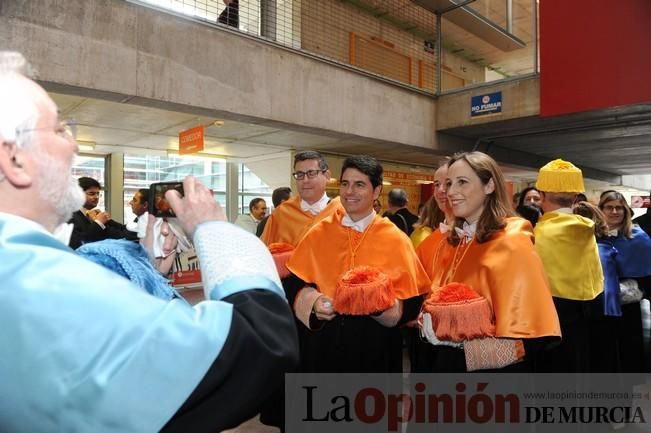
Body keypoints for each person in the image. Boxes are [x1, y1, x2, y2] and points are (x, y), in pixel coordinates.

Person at [0, 51, 298, 432]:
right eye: (59, 129)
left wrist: (144, 266)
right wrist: (213, 230)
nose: (73, 144)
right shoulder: (33, 283)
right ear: (15, 160)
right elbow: (258, 343)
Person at [285, 155, 431, 373]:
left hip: (374, 350)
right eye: (345, 184)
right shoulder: (319, 232)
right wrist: (314, 303)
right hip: (322, 347)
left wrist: (381, 307)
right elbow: (293, 283)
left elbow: (413, 299)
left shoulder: (395, 238)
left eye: (359, 185)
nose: (349, 192)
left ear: (376, 191)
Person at [416, 152, 560, 372]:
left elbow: (532, 340)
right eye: (448, 183)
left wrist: (462, 346)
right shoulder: (454, 241)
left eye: (462, 182)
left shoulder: (511, 242)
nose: (450, 192)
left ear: (489, 186)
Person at [533, 159, 604, 372]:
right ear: (574, 197)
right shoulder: (586, 230)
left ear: (542, 196)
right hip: (587, 315)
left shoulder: (536, 235)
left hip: (549, 321)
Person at [598, 191, 651, 372]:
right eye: (609, 207)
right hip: (599, 306)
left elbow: (647, 276)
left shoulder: (639, 237)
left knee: (629, 354)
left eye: (619, 207)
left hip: (628, 307)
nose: (614, 211)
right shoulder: (591, 237)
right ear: (601, 210)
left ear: (625, 211)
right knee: (604, 355)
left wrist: (634, 289)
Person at [260, 150, 343, 247]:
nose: (305, 180)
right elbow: (262, 253)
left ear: (327, 175)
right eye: (300, 174)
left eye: (311, 173)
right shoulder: (281, 214)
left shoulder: (342, 212)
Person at [68, 176, 138, 249]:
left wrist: (105, 221)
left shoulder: (90, 214)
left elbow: (117, 232)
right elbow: (80, 242)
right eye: (91, 194)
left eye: (98, 194)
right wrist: (99, 222)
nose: (96, 197)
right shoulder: (70, 215)